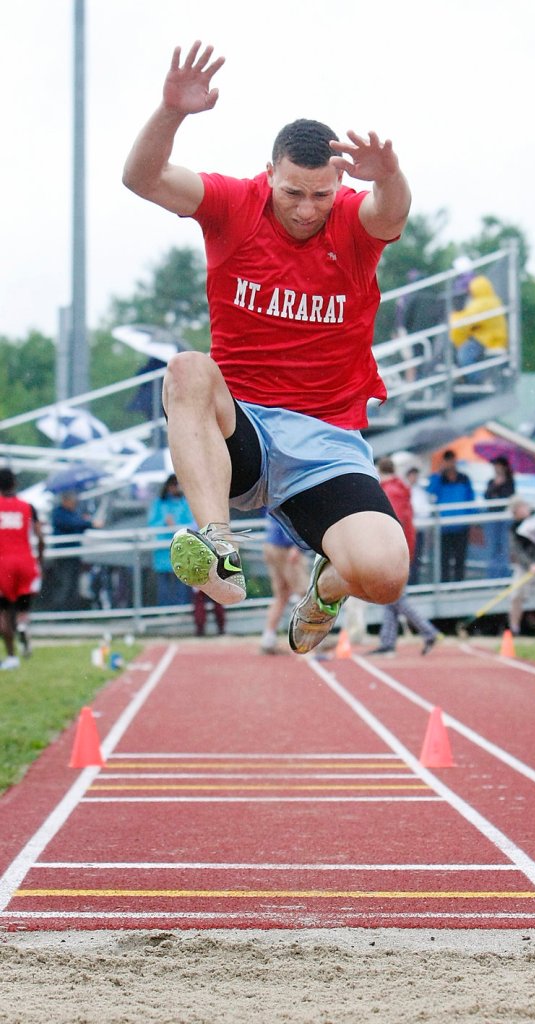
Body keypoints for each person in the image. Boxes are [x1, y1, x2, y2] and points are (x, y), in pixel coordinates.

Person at [123, 39, 411, 656]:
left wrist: (388, 174)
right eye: (292, 193)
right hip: (243, 430)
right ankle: (217, 544)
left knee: (386, 576)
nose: (307, 210)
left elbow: (392, 213)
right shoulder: (233, 204)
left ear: (340, 183)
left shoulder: (356, 223)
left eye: (321, 195)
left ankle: (326, 587)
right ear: (270, 174)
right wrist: (171, 111)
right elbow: (141, 178)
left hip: (327, 443)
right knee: (187, 368)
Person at [370, 458, 439, 656]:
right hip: (400, 548)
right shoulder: (397, 489)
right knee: (390, 595)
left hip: (394, 550)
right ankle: (388, 641)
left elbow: (393, 522)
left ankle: (427, 631)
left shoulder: (392, 491)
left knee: (396, 597)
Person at [0, 468, 44, 669]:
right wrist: (40, 560)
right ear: (15, 484)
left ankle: (11, 656)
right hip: (25, 563)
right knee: (22, 607)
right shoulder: (28, 507)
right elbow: (40, 536)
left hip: (2, 565)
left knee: (3, 612)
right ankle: (23, 626)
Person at [260, 514, 309, 654]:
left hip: (271, 544)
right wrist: (295, 546)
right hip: (284, 547)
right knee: (304, 594)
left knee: (281, 596)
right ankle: (306, 638)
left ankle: (268, 638)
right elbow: (289, 517)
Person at [427, 450, 476, 582]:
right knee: (444, 558)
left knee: (460, 557)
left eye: (452, 460)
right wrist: (438, 474)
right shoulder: (438, 479)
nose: (450, 463)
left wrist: (470, 518)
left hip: (461, 525)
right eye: (447, 461)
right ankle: (445, 584)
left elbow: (470, 499)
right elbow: (430, 492)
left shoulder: (464, 479)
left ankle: (459, 583)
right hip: (444, 526)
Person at [449, 275, 508, 383]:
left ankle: (476, 381)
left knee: (464, 354)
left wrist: (453, 316)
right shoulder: (493, 300)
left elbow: (463, 322)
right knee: (465, 350)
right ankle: (468, 378)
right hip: (491, 337)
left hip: (489, 339)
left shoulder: (482, 303)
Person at [147, 474, 194, 605]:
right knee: (164, 583)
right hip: (163, 548)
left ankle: (182, 607)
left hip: (181, 547)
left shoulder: (185, 503)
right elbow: (151, 523)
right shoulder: (159, 503)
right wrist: (165, 523)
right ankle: (165, 609)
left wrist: (176, 527)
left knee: (182, 581)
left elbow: (191, 523)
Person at [50, 491, 102, 611]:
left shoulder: (72, 513)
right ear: (65, 500)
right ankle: (60, 612)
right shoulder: (59, 513)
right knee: (64, 584)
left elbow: (79, 524)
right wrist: (90, 523)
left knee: (73, 584)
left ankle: (71, 612)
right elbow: (74, 523)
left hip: (73, 555)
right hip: (63, 555)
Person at [508, 497, 535, 637]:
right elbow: (516, 550)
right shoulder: (514, 528)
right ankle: (514, 628)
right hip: (524, 568)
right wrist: (529, 564)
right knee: (515, 596)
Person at [483, 456, 515, 578]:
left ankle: (503, 577)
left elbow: (509, 496)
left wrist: (501, 484)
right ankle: (492, 577)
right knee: (493, 549)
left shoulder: (510, 482)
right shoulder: (492, 482)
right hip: (492, 519)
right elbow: (487, 496)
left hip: (505, 520)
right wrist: (496, 485)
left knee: (504, 548)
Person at [406, 465, 431, 585]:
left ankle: (414, 584)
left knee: (416, 558)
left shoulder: (420, 492)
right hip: (407, 529)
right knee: (408, 559)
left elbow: (425, 510)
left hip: (418, 529)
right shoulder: (405, 490)